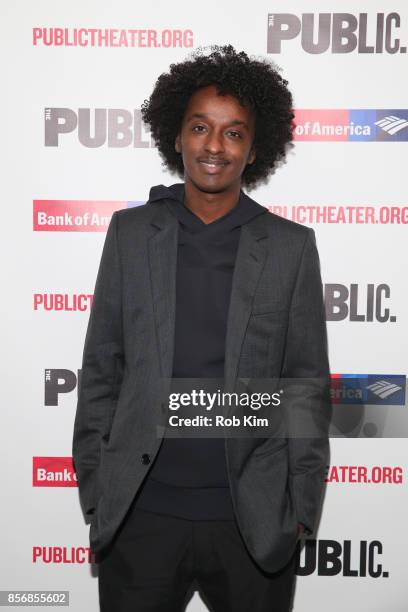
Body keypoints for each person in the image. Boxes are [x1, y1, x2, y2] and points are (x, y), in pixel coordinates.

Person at [72, 45, 331, 612]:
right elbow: (101, 369)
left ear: (255, 149)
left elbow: (305, 384)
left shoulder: (290, 248)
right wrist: (97, 489)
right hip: (141, 517)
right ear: (176, 136)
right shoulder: (131, 234)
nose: (214, 146)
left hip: (253, 525)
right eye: (199, 128)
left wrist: (302, 507)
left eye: (233, 133)